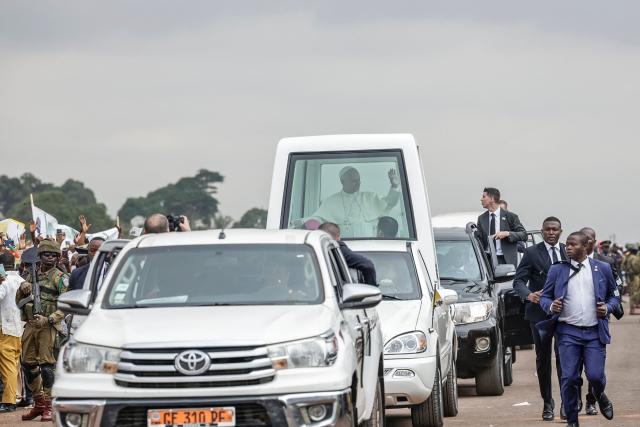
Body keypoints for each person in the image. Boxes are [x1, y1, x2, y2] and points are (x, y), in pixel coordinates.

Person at [539, 232, 619, 427]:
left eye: (573, 244)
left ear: (586, 246)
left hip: (594, 333)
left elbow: (614, 297)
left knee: (595, 376)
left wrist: (607, 308)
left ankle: (599, 394)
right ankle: (572, 422)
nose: (568, 247)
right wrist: (551, 306)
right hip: (567, 332)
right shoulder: (557, 270)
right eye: (567, 244)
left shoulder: (603, 269)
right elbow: (544, 297)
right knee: (569, 378)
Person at [512, 216, 566, 421]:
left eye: (555, 229)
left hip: (564, 316)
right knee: (543, 359)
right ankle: (547, 403)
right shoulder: (532, 252)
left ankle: (566, 402)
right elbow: (518, 281)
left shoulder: (567, 252)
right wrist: (529, 294)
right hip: (539, 315)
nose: (551, 233)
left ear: (561, 231)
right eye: (548, 230)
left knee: (564, 359)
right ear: (542, 232)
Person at [15, 239, 69, 422]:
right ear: (39, 256)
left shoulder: (60, 278)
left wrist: (50, 319)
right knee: (27, 364)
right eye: (46, 254)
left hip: (48, 326)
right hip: (31, 324)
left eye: (54, 255)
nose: (50, 258)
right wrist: (23, 289)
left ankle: (49, 405)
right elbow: (19, 302)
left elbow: (66, 305)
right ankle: (38, 403)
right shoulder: (31, 276)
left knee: (47, 366)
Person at [306, 166, 401, 238]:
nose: (358, 183)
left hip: (369, 245)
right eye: (354, 181)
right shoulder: (331, 201)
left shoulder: (370, 197)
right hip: (343, 248)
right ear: (342, 181)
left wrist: (394, 187)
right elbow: (318, 218)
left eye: (359, 180)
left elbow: (389, 203)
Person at [476, 187, 527, 265]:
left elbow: (524, 235)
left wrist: (507, 234)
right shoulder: (481, 218)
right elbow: (479, 240)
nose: (481, 199)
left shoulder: (510, 217)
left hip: (506, 260)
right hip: (487, 261)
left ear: (492, 198)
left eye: (484, 196)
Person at [0, 253, 24, 412]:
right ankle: (16, 396)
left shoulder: (4, 282)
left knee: (8, 365)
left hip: (5, 328)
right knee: (15, 364)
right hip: (20, 328)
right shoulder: (22, 281)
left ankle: (9, 402)